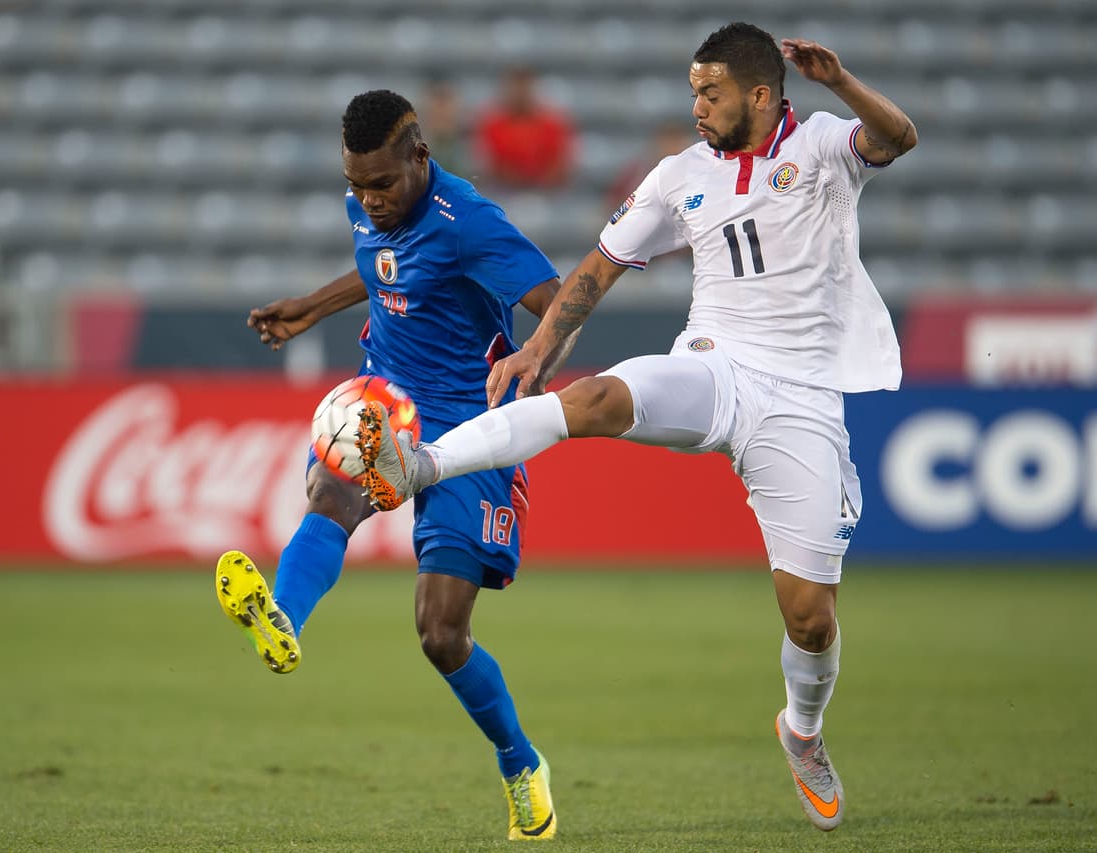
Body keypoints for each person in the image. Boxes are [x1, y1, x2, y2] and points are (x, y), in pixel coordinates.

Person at [359, 23, 917, 832]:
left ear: (761, 95)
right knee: (595, 400)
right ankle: (422, 466)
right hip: (714, 366)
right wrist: (539, 350)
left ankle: (802, 728)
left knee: (810, 616)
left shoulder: (825, 146)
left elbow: (897, 137)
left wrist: (842, 82)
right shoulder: (679, 177)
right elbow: (599, 267)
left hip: (802, 400)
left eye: (711, 93)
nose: (697, 107)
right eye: (693, 91)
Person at [214, 89, 568, 841]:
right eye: (356, 184)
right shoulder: (368, 202)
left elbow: (559, 298)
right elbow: (384, 266)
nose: (368, 199)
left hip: (471, 425)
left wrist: (536, 360)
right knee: (331, 491)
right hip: (387, 397)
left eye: (381, 184)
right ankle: (283, 620)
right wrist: (313, 305)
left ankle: (520, 762)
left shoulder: (468, 221)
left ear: (420, 157)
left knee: (440, 633)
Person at [473, 66, 575, 190]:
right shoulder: (492, 124)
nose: (520, 94)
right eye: (516, 88)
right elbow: (489, 162)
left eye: (525, 87)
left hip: (546, 191)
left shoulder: (552, 124)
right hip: (502, 189)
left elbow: (560, 162)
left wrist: (541, 183)